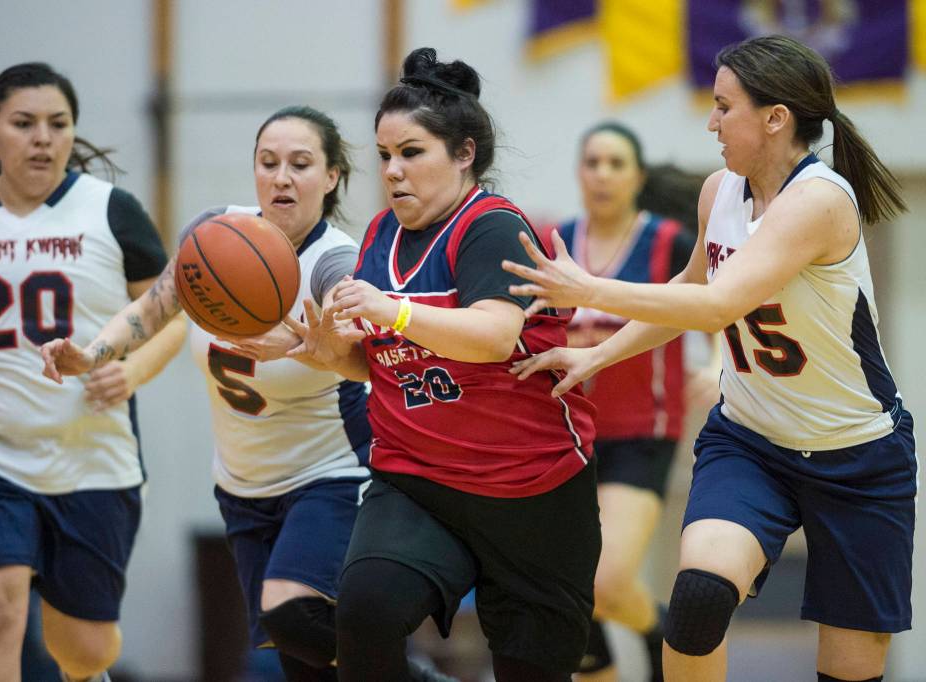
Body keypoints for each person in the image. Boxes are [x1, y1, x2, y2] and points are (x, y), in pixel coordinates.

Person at [503, 35, 914, 682]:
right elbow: (689, 289)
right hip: (751, 443)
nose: (710, 121)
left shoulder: (819, 200)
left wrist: (587, 288)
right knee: (697, 599)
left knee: (852, 668)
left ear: (776, 117)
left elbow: (718, 306)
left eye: (724, 107)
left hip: (857, 456)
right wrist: (601, 355)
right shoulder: (719, 190)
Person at [41, 106, 451, 682]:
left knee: (292, 612)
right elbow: (154, 307)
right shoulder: (215, 236)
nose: (282, 176)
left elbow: (364, 364)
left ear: (332, 177)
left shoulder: (336, 260)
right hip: (241, 487)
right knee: (302, 660)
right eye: (269, 162)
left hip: (331, 474)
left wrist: (311, 344)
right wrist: (94, 353)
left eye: (301, 164)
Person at [285, 48, 602, 682]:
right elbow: (392, 367)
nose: (393, 171)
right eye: (384, 156)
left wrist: (392, 311)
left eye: (412, 153)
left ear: (464, 155)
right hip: (418, 480)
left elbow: (491, 336)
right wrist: (335, 355)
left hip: (530, 490)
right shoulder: (378, 237)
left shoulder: (492, 226)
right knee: (367, 612)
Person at [0, 62, 182, 682]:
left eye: (58, 124)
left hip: (91, 457)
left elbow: (173, 318)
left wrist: (132, 373)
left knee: (83, 648)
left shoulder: (112, 211)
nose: (42, 138)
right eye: (24, 123)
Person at [556, 122, 717, 682]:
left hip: (641, 430)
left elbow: (718, 297)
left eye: (616, 163)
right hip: (562, 432)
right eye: (593, 161)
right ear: (579, 171)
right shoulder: (556, 241)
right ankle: (622, 654)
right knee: (568, 594)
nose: (602, 174)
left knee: (603, 581)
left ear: (637, 176)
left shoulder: (668, 241)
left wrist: (717, 362)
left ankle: (655, 636)